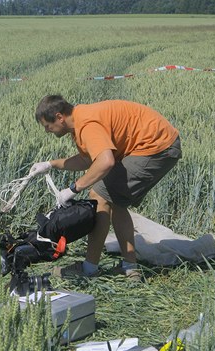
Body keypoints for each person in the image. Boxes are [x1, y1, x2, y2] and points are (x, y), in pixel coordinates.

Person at [29, 95, 182, 281]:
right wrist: (50, 164)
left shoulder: (87, 125)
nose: (47, 131)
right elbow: (87, 159)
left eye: (47, 126)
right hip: (157, 144)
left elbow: (105, 162)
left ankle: (89, 269)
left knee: (99, 195)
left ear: (59, 117)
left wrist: (73, 189)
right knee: (115, 201)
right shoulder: (81, 120)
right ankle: (130, 269)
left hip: (157, 147)